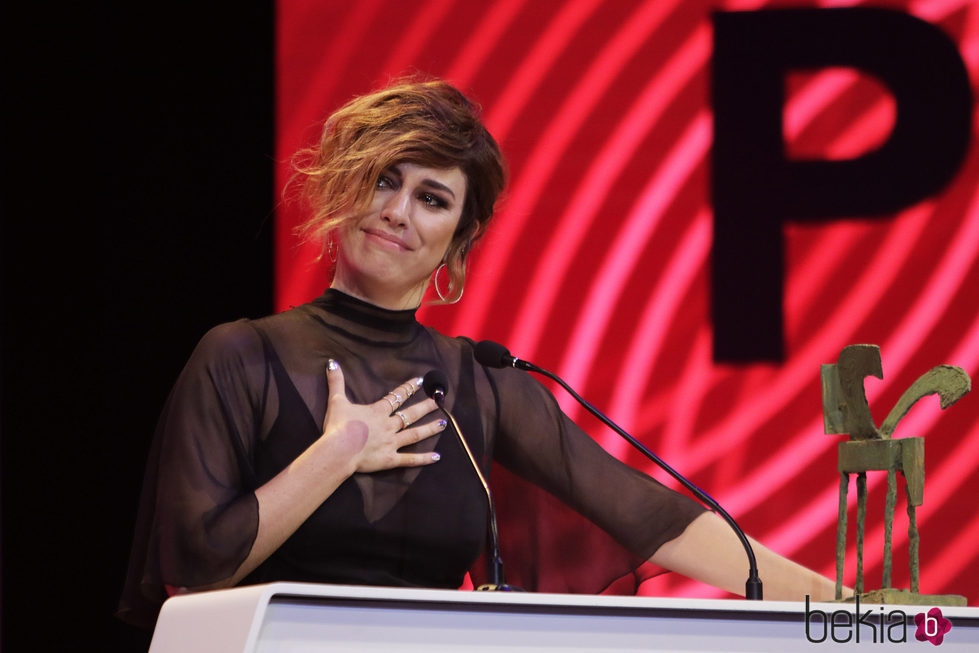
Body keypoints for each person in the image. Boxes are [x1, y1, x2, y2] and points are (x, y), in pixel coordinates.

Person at [118, 76, 840, 629]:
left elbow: (648, 514)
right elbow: (195, 563)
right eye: (383, 179)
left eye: (432, 198)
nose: (397, 211)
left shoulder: (480, 384)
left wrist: (854, 609)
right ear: (346, 185)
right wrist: (336, 454)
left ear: (457, 245)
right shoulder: (241, 357)